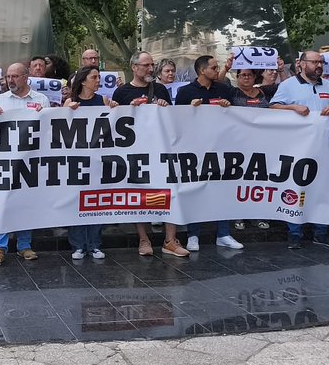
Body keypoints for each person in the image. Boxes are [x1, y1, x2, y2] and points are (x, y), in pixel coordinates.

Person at [115, 52, 190, 256]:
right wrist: (129, 110)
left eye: (152, 65)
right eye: (146, 65)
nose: (150, 69)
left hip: (161, 149)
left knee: (170, 191)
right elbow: (115, 124)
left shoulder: (160, 89)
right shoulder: (122, 92)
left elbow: (172, 121)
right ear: (134, 67)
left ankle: (170, 240)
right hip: (136, 152)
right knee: (139, 194)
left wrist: (164, 108)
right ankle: (144, 239)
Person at [270, 51, 329, 249]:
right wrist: (292, 107)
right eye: (314, 62)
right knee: (296, 189)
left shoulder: (328, 85)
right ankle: (294, 233)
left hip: (324, 149)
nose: (319, 65)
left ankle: (321, 232)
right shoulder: (287, 86)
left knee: (322, 190)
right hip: (298, 149)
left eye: (321, 62)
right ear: (301, 64)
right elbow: (273, 108)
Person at [174, 55, 240, 252]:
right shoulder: (185, 92)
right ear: (202, 70)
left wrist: (228, 108)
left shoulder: (224, 90)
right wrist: (189, 110)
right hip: (196, 150)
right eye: (213, 67)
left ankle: (224, 234)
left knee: (222, 189)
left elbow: (238, 118)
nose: (217, 69)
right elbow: (176, 121)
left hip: (221, 147)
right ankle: (193, 235)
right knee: (196, 191)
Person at [0, 63, 48, 266]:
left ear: (26, 77)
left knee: (25, 202)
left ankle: (24, 245)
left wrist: (44, 114)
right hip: (4, 160)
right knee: (2, 203)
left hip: (30, 160)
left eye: (14, 76)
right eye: (8, 76)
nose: (10, 80)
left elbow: (48, 130)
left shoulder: (41, 99)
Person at [64, 66, 118, 259]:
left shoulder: (102, 100)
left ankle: (94, 244)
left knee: (96, 201)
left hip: (97, 159)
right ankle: (78, 245)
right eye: (94, 77)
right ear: (83, 81)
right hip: (76, 160)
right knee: (76, 202)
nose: (98, 81)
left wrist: (114, 110)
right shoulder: (71, 102)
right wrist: (67, 112)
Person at [227, 67, 272, 232]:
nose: (246, 78)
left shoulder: (265, 92)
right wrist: (226, 66)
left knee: (259, 180)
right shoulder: (232, 93)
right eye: (242, 75)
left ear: (255, 76)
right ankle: (238, 215)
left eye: (249, 75)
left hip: (262, 144)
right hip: (238, 144)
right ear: (237, 77)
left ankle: (258, 214)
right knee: (239, 179)